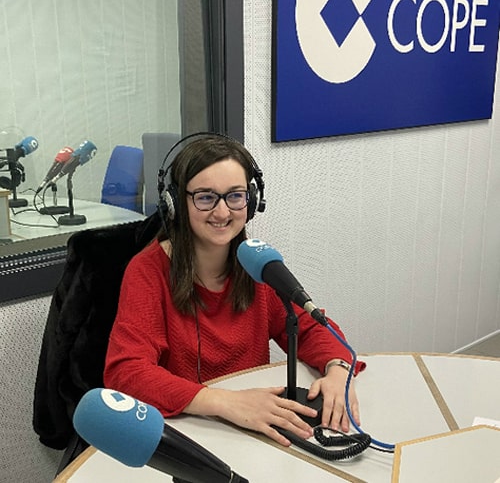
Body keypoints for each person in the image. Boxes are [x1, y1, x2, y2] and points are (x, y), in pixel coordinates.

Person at [104, 133, 365, 447]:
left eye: (235, 196)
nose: (222, 212)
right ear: (175, 203)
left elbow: (309, 327)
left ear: (252, 201)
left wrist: (337, 370)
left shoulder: (257, 264)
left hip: (254, 431)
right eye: (205, 197)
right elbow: (126, 373)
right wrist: (224, 402)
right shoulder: (147, 272)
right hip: (192, 431)